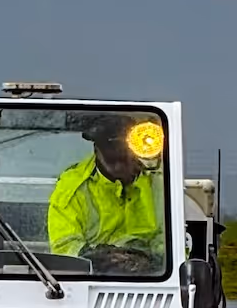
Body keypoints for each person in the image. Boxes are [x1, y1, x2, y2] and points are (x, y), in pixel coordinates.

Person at [47, 115, 166, 271]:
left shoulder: (161, 184)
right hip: (95, 277)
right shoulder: (72, 188)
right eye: (115, 161)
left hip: (155, 277)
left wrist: (150, 261)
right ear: (97, 151)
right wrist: (99, 257)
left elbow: (172, 242)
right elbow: (64, 248)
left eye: (127, 159)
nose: (123, 168)